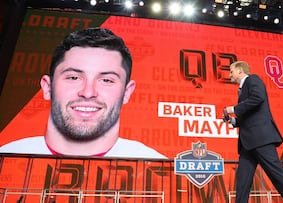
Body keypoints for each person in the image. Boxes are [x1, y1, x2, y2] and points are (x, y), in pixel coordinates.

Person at [0, 27, 166, 159]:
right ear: (47, 87)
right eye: (73, 77)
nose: (88, 92)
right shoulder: (5, 159)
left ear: (127, 93)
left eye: (106, 80)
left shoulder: (158, 171)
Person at [223, 61, 283, 203]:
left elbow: (258, 98)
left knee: (277, 175)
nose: (229, 75)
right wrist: (234, 121)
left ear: (240, 71)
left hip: (260, 139)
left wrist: (234, 109)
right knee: (242, 182)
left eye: (231, 71)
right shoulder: (242, 90)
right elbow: (250, 115)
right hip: (247, 144)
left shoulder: (253, 79)